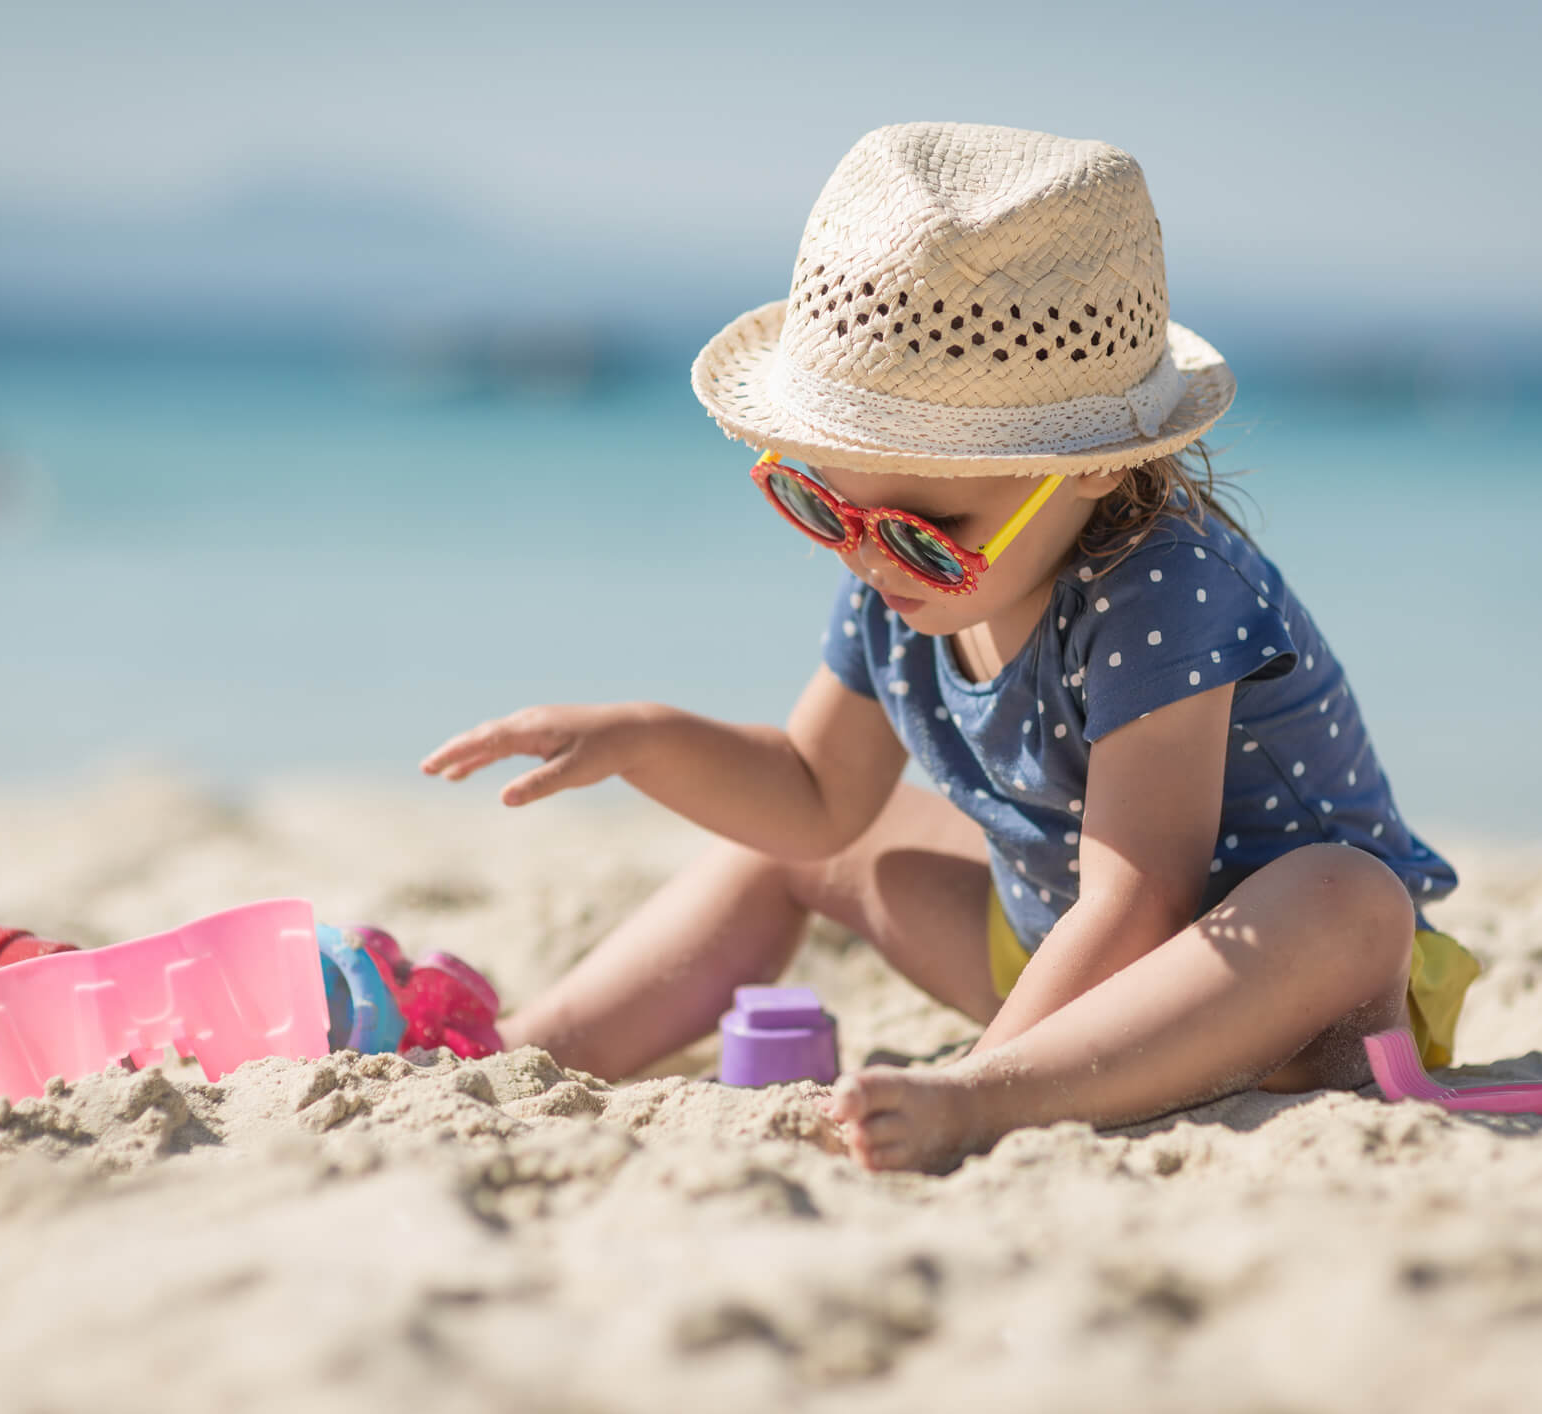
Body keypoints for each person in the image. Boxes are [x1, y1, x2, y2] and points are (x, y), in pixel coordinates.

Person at [421, 122, 1480, 1172]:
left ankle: (996, 1097)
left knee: (1344, 896)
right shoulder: (890, 578)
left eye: (925, 531)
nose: (873, 560)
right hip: (1054, 961)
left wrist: (979, 1080)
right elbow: (809, 793)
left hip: (1272, 989)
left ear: (1093, 467)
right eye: (825, 505)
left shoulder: (1166, 588)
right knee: (796, 847)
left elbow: (1142, 896)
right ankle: (523, 1048)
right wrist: (646, 738)